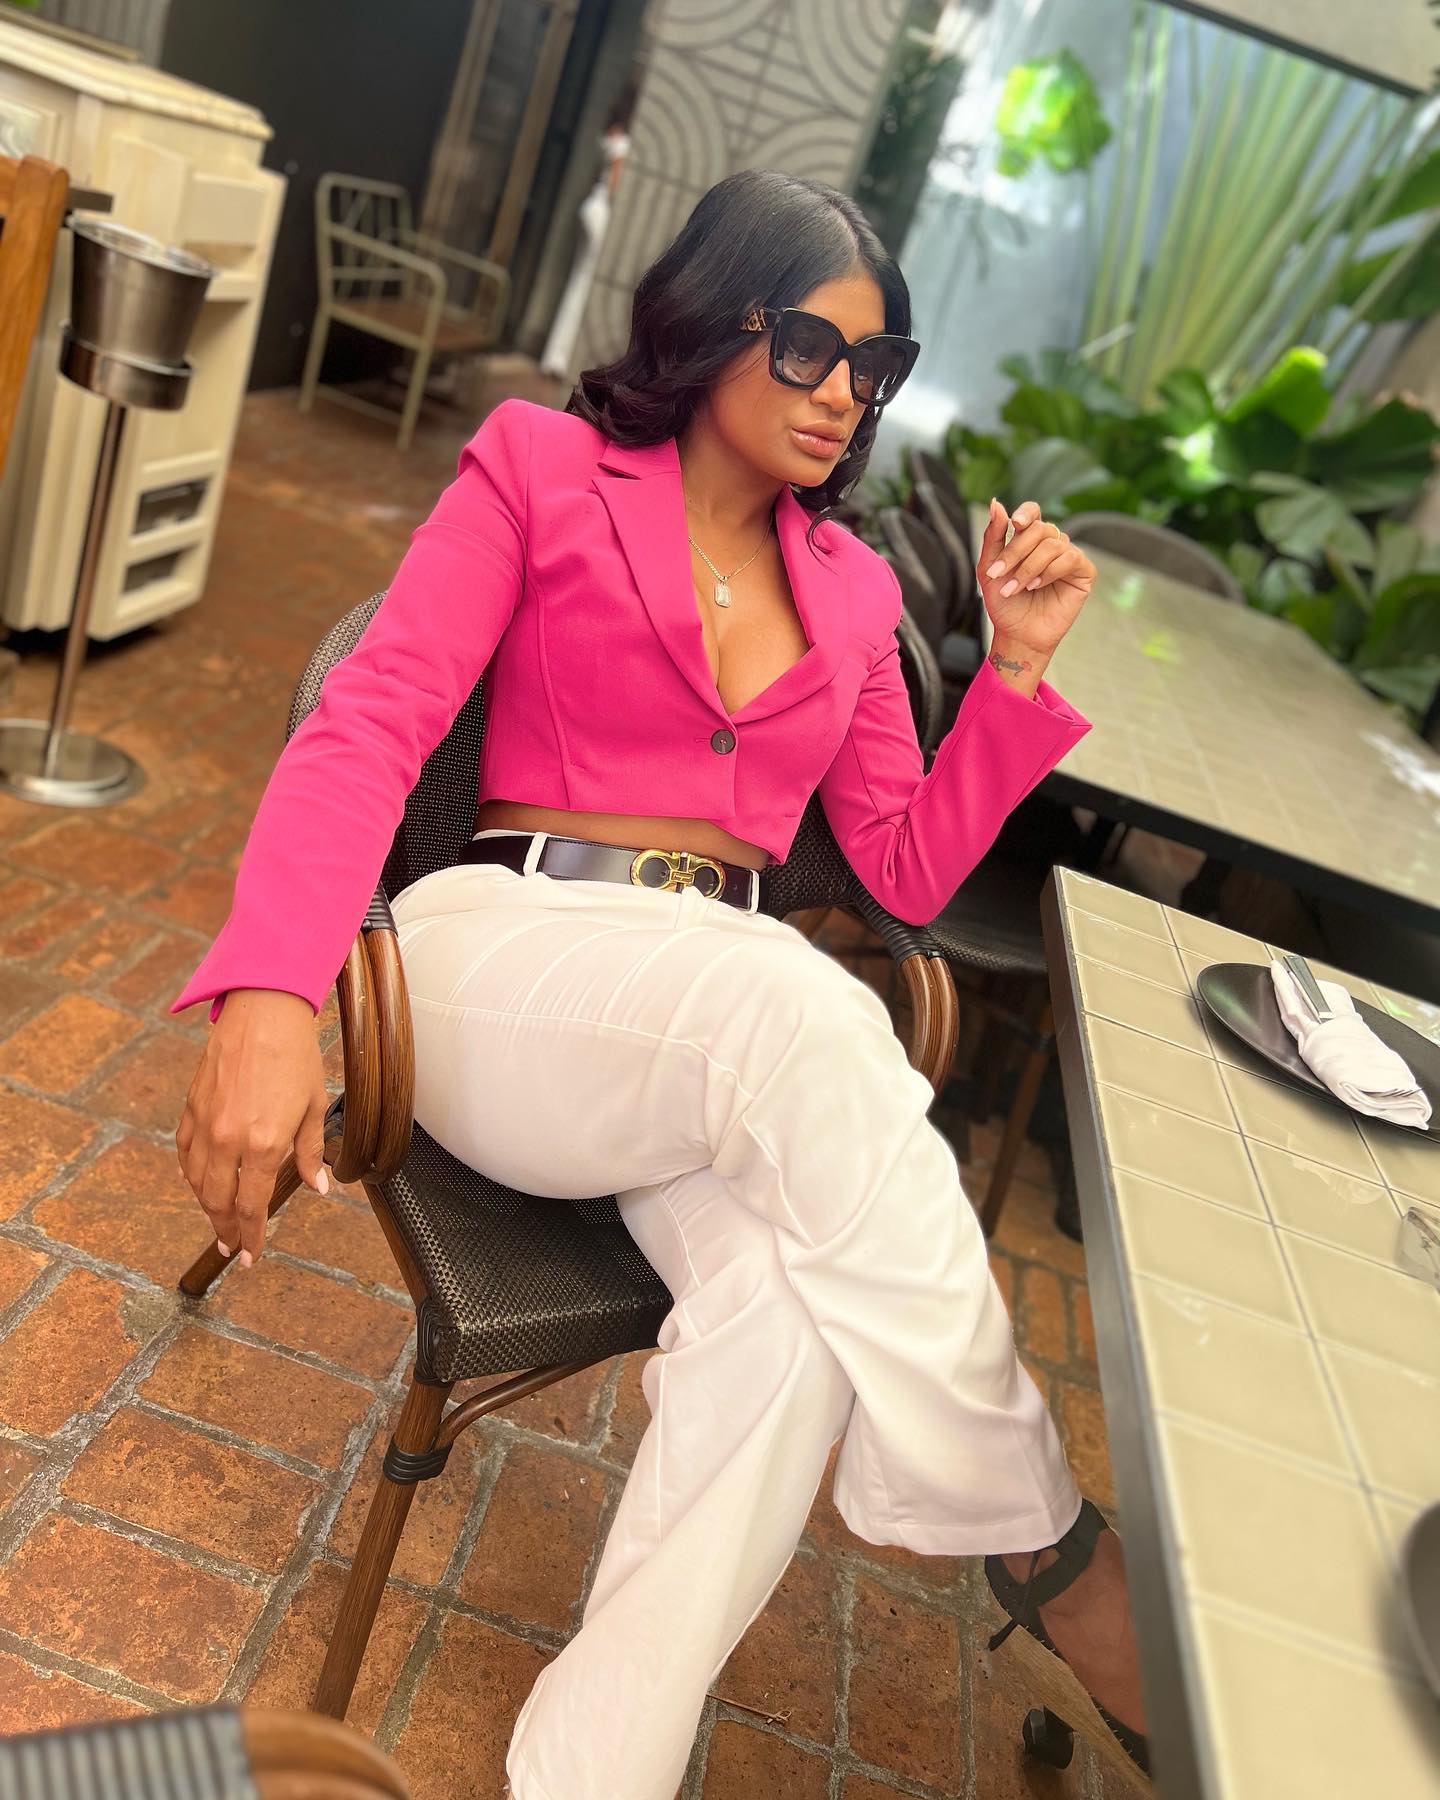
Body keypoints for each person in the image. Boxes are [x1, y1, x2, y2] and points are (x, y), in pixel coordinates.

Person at [171, 169, 1148, 1800]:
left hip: (703, 1042)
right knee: (803, 1009)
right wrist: (273, 994)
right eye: (810, 346)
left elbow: (902, 871)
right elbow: (375, 719)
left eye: (878, 367)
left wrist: (1017, 675)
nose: (844, 393)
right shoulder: (542, 468)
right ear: (709, 321)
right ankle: (1047, 1547)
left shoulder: (854, 592)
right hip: (503, 958)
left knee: (790, 1326)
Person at [539, 113, 630, 382]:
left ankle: (555, 355)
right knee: (582, 285)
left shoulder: (612, 132)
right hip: (601, 212)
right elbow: (615, 186)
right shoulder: (624, 142)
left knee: (578, 282)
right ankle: (558, 357)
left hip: (592, 206)